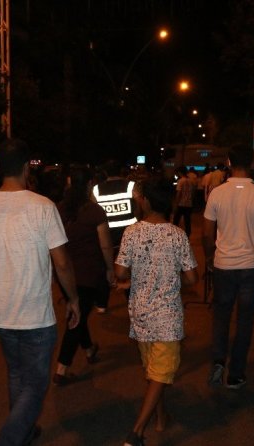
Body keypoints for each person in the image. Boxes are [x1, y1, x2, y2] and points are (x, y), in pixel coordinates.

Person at [0, 139, 81, 446]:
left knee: (17, 375)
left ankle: (25, 432)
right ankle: (9, 439)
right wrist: (73, 299)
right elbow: (62, 262)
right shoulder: (43, 207)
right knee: (35, 384)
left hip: (1, 312)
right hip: (35, 316)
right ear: (25, 167)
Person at [115, 177, 198, 446]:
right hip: (167, 317)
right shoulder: (177, 235)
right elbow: (192, 278)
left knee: (154, 373)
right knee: (160, 374)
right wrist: (170, 277)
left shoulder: (131, 232)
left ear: (147, 201)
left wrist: (136, 277)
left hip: (140, 314)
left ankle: (161, 418)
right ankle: (136, 433)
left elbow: (120, 271)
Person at [202, 144, 254, 389]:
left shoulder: (216, 194)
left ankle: (218, 360)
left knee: (221, 316)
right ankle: (236, 373)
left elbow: (207, 234)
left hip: (224, 264)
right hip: (253, 266)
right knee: (245, 320)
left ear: (228, 162)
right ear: (253, 163)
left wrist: (209, 257)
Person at [53, 166, 115, 385]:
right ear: (89, 184)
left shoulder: (58, 210)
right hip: (89, 273)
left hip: (64, 273)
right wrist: (110, 269)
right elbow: (105, 245)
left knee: (78, 310)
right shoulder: (94, 211)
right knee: (77, 318)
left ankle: (89, 349)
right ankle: (61, 369)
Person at [92, 159, 137, 313]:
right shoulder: (131, 186)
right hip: (128, 234)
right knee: (128, 269)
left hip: (106, 235)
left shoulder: (96, 189)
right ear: (121, 171)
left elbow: (94, 211)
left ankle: (102, 304)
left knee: (106, 268)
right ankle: (132, 302)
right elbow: (139, 206)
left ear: (105, 173)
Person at [172, 166, 193, 238]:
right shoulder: (190, 181)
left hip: (181, 204)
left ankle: (175, 235)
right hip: (189, 204)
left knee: (176, 221)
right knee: (187, 221)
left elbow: (178, 194)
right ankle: (187, 236)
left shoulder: (180, 181)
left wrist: (175, 204)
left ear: (180, 172)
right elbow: (193, 192)